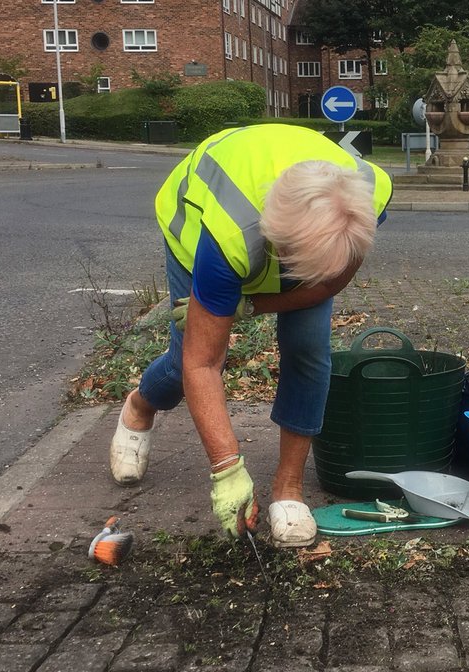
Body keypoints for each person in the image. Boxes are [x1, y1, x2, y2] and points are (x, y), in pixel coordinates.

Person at [108, 124, 392, 547]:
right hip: (198, 226)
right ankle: (140, 406)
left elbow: (329, 284)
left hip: (299, 233)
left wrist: (255, 304)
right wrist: (227, 469)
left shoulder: (366, 196)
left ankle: (289, 489)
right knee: (185, 356)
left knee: (309, 351)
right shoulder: (230, 235)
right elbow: (201, 364)